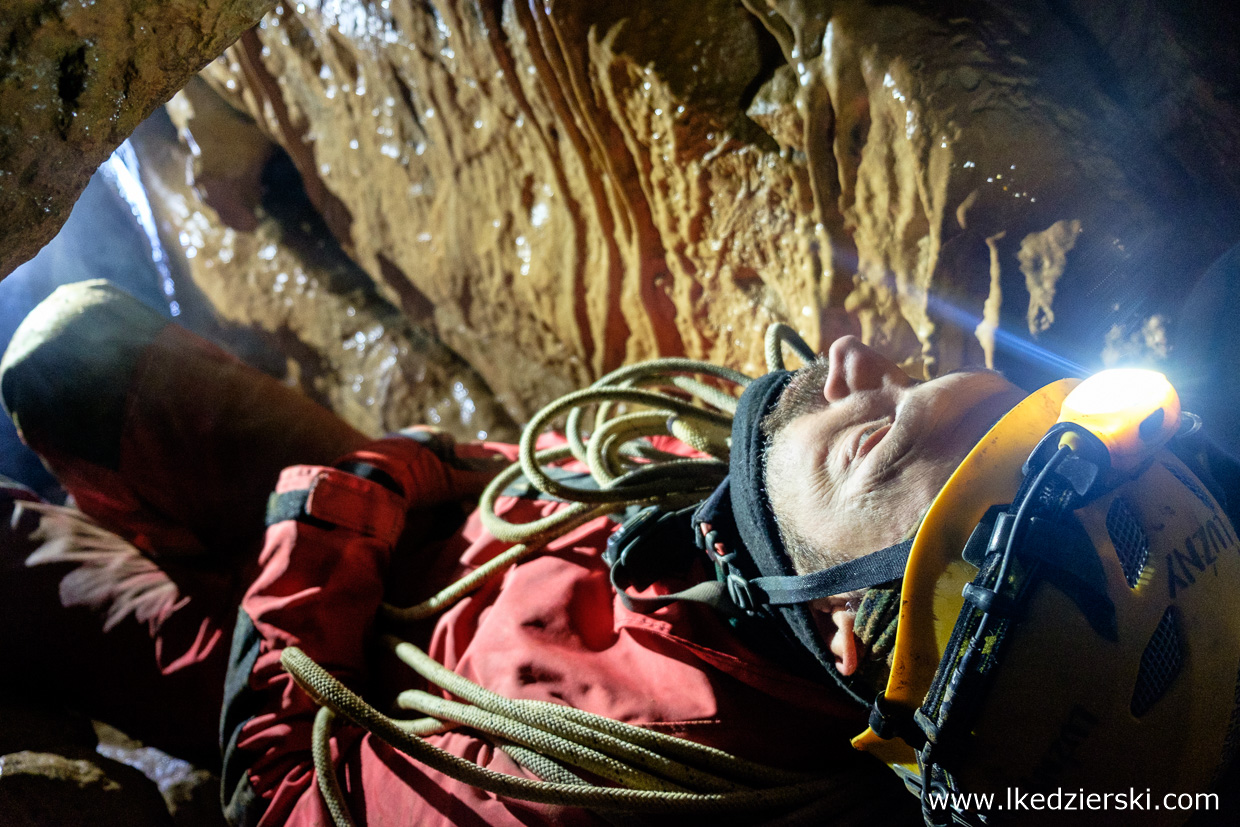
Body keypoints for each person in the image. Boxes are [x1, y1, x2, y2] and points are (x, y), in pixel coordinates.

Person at [1, 279, 1235, 826]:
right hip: (402, 516)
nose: (857, 362)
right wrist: (426, 473)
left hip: (280, 657)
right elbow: (572, 486)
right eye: (933, 382)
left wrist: (326, 529)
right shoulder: (751, 561)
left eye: (876, 432)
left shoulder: (577, 801)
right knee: (73, 347)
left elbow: (283, 795)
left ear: (857, 627)